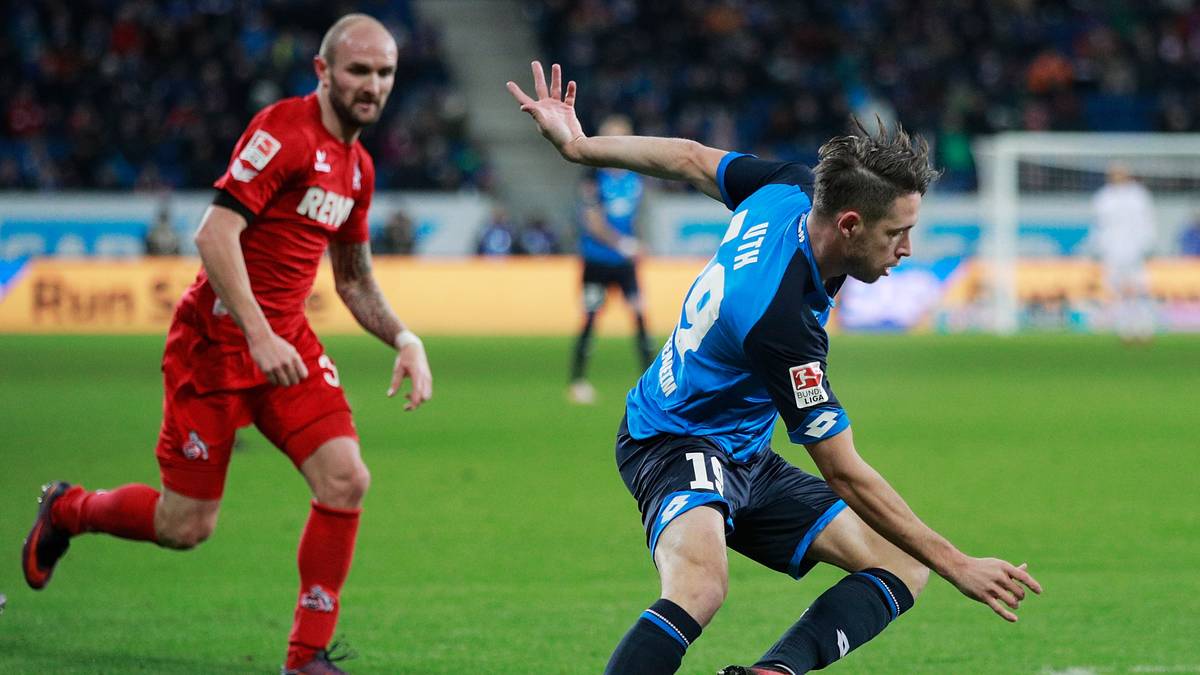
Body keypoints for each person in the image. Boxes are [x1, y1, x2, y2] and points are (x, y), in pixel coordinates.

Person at [509, 62, 1041, 675]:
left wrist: (581, 147)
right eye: (897, 233)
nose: (907, 249)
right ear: (850, 225)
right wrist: (958, 563)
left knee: (900, 563)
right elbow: (843, 471)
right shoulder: (780, 321)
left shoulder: (790, 189)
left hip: (744, 451)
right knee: (699, 588)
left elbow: (690, 158)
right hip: (673, 440)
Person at [22, 14, 433, 675]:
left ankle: (306, 656)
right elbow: (214, 233)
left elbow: (353, 278)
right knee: (185, 526)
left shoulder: (358, 168)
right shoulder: (285, 131)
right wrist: (257, 333)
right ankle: (68, 509)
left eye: (384, 73)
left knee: (346, 477)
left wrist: (404, 337)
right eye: (359, 70)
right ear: (324, 71)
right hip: (214, 344)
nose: (373, 84)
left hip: (286, 343)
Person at [568, 114, 653, 404]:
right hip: (597, 262)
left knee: (640, 316)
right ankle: (577, 381)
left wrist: (638, 243)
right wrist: (623, 244)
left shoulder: (635, 178)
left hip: (625, 264)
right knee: (591, 318)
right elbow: (592, 221)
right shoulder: (593, 178)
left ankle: (653, 385)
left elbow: (635, 218)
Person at [1091, 162, 1157, 343]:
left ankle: (1145, 327)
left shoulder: (1138, 196)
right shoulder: (1103, 197)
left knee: (1140, 289)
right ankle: (1125, 329)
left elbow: (1147, 221)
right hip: (1112, 252)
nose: (1117, 176)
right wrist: (1099, 248)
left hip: (1135, 250)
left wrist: (1148, 244)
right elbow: (1099, 225)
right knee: (1117, 291)